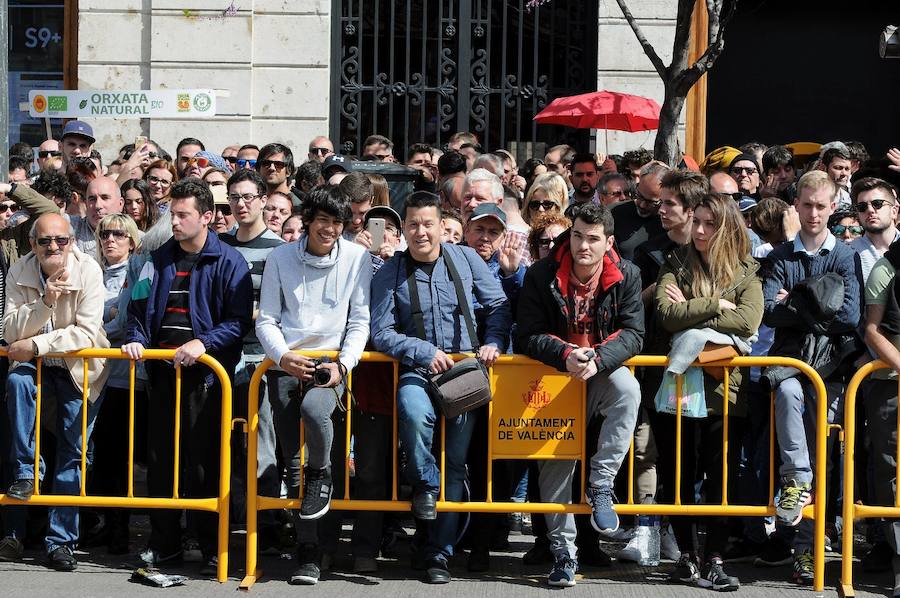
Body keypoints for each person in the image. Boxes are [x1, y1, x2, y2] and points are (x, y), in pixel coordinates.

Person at [370, 191, 510, 584]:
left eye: (427, 224)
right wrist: (421, 349)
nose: (421, 232)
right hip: (418, 370)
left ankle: (438, 554)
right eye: (412, 224)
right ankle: (424, 485)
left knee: (455, 465)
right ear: (403, 229)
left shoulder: (466, 259)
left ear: (441, 227)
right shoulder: (388, 272)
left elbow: (498, 306)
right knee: (413, 415)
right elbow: (380, 332)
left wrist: (494, 342)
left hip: (464, 376)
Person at [123, 178, 252, 573]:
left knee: (204, 463)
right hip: (162, 372)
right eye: (171, 214)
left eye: (183, 215)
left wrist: (204, 344)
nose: (174, 222)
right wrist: (134, 339)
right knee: (161, 461)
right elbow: (137, 307)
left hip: (207, 378)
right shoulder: (156, 258)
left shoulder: (229, 262)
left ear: (207, 217)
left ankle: (212, 543)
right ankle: (165, 544)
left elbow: (238, 322)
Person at [515, 202, 643, 587]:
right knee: (555, 467)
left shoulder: (628, 274)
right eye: (576, 236)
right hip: (553, 377)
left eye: (592, 239)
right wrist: (566, 354)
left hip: (598, 372)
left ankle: (602, 483)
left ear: (608, 242)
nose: (583, 246)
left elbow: (635, 333)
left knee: (628, 387)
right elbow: (528, 334)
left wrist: (599, 359)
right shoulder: (541, 273)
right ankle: (562, 552)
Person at [255, 185, 371, 585]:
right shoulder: (280, 257)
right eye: (323, 220)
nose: (331, 229)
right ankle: (309, 552)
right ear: (308, 220)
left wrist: (343, 363)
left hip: (332, 365)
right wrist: (282, 356)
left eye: (338, 222)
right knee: (292, 464)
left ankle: (325, 537)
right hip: (286, 365)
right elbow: (266, 318)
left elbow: (360, 319)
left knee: (319, 438)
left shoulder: (358, 258)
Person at [653, 193, 763, 591]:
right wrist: (718, 303)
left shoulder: (747, 270)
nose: (699, 231)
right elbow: (667, 316)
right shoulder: (676, 260)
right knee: (678, 475)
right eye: (696, 221)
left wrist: (695, 308)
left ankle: (714, 557)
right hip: (677, 388)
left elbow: (749, 319)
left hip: (723, 391)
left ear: (727, 227)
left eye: (708, 224)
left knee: (720, 479)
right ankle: (686, 556)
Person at [763, 170, 862, 585]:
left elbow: (850, 316)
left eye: (822, 206)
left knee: (824, 451)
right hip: (789, 362)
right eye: (807, 205)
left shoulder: (845, 255)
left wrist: (797, 298)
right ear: (796, 205)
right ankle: (795, 482)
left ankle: (809, 546)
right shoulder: (780, 256)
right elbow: (769, 308)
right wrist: (818, 299)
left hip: (832, 369)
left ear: (833, 205)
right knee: (786, 396)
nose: (814, 213)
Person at [2, 213, 109, 571]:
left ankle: (61, 542)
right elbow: (8, 329)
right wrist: (45, 303)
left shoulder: (89, 271)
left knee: (72, 455)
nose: (54, 247)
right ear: (32, 244)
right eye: (45, 241)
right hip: (33, 369)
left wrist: (35, 344)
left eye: (61, 240)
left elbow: (86, 334)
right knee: (16, 383)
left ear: (71, 242)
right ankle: (24, 476)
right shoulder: (20, 271)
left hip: (78, 371)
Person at [218, 169, 285, 556]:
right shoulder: (221, 245)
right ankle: (230, 519)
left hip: (261, 361)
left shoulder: (279, 250)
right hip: (224, 358)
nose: (240, 205)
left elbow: (279, 310)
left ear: (262, 199)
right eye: (234, 198)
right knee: (225, 443)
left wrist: (253, 315)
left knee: (263, 443)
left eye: (247, 197)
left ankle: (268, 525)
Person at [83, 213, 142, 554]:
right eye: (105, 234)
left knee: (119, 457)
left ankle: (120, 528)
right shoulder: (92, 273)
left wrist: (95, 321)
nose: (111, 240)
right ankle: (101, 523)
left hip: (124, 379)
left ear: (132, 240)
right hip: (94, 378)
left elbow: (126, 319)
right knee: (101, 457)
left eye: (119, 234)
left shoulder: (137, 272)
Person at [610, 161, 667, 260]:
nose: (642, 205)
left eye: (651, 202)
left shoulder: (671, 224)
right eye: (639, 196)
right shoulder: (614, 213)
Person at [849, 177, 900, 282]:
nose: (870, 210)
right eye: (862, 207)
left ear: (894, 211)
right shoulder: (848, 253)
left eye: (877, 204)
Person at [69, 176, 124, 257]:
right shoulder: (71, 226)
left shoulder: (137, 239)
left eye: (105, 198)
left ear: (120, 204)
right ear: (86, 203)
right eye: (92, 199)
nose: (98, 206)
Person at [256, 143, 301, 209]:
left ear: (289, 171)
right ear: (258, 169)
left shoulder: (297, 206)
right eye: (266, 163)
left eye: (279, 164)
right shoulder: (253, 202)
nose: (272, 168)